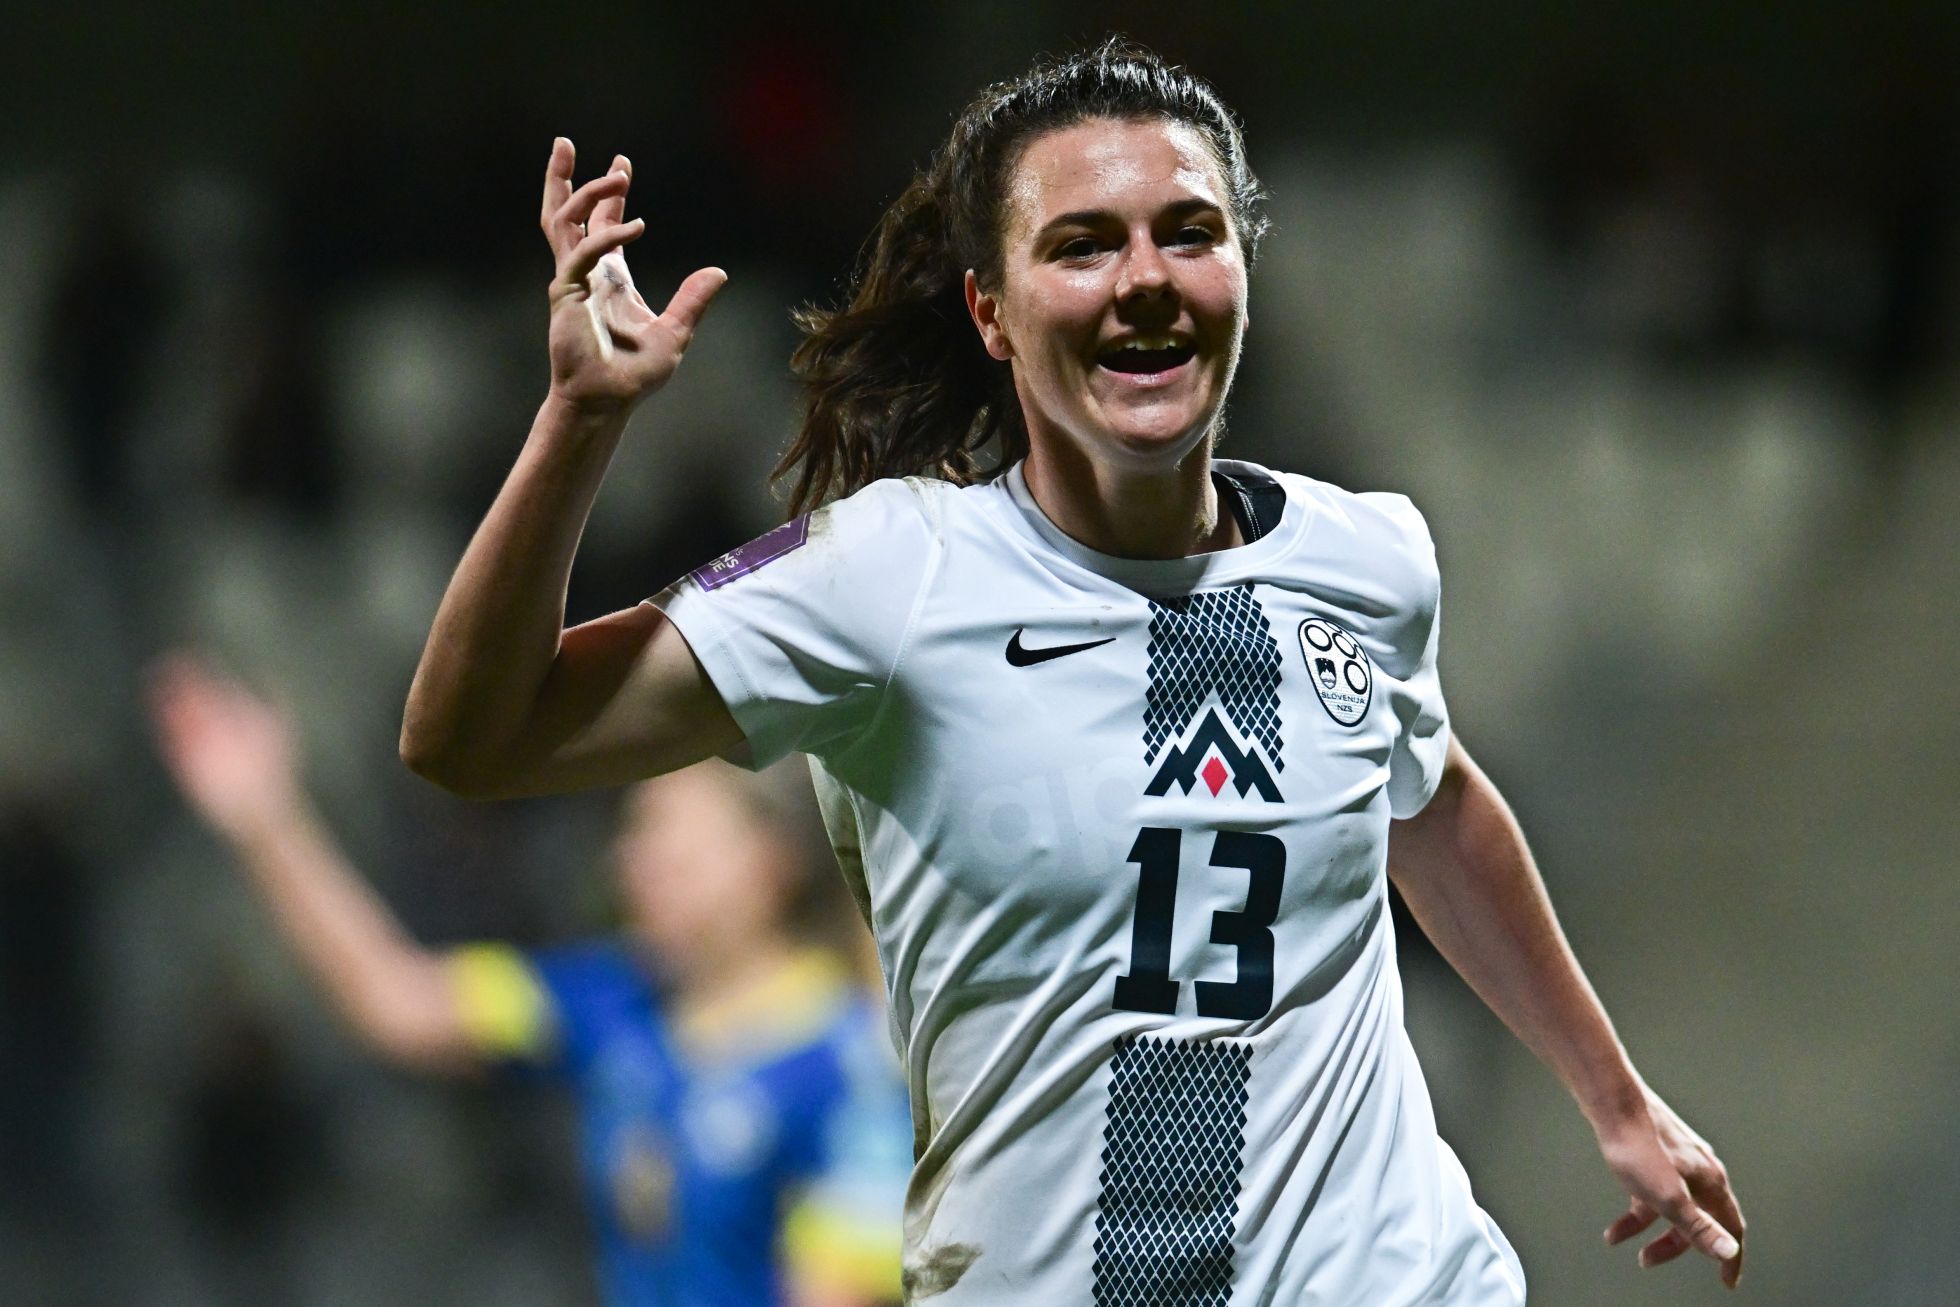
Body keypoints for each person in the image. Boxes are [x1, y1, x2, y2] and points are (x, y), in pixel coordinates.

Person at [397, 41, 1747, 1303]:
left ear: (1242, 272)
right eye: (1083, 244)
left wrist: (1617, 1098)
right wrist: (580, 421)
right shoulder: (886, 580)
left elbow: (1433, 804)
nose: (1143, 279)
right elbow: (472, 738)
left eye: (1188, 232)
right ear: (990, 311)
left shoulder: (1366, 557)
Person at [148, 656, 909, 1307]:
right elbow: (402, 1003)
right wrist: (266, 818)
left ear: (770, 866)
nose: (635, 864)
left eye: (674, 848)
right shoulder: (612, 998)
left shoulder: (851, 1068)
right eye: (635, 837)